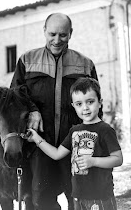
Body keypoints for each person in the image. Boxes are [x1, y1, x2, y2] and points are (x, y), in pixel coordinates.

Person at [10, 13, 101, 210]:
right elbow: (15, 98)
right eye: (52, 34)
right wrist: (32, 110)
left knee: (79, 198)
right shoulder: (27, 60)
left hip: (75, 146)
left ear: (71, 34)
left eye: (63, 35)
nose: (57, 40)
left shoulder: (85, 64)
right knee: (41, 199)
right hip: (39, 146)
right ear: (44, 30)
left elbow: (95, 108)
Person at [28, 77, 123, 210]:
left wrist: (93, 161)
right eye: (79, 104)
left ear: (100, 103)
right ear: (73, 106)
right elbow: (56, 154)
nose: (85, 108)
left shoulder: (105, 130)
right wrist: (36, 138)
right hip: (78, 197)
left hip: (100, 197)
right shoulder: (74, 131)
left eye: (90, 102)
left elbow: (118, 159)